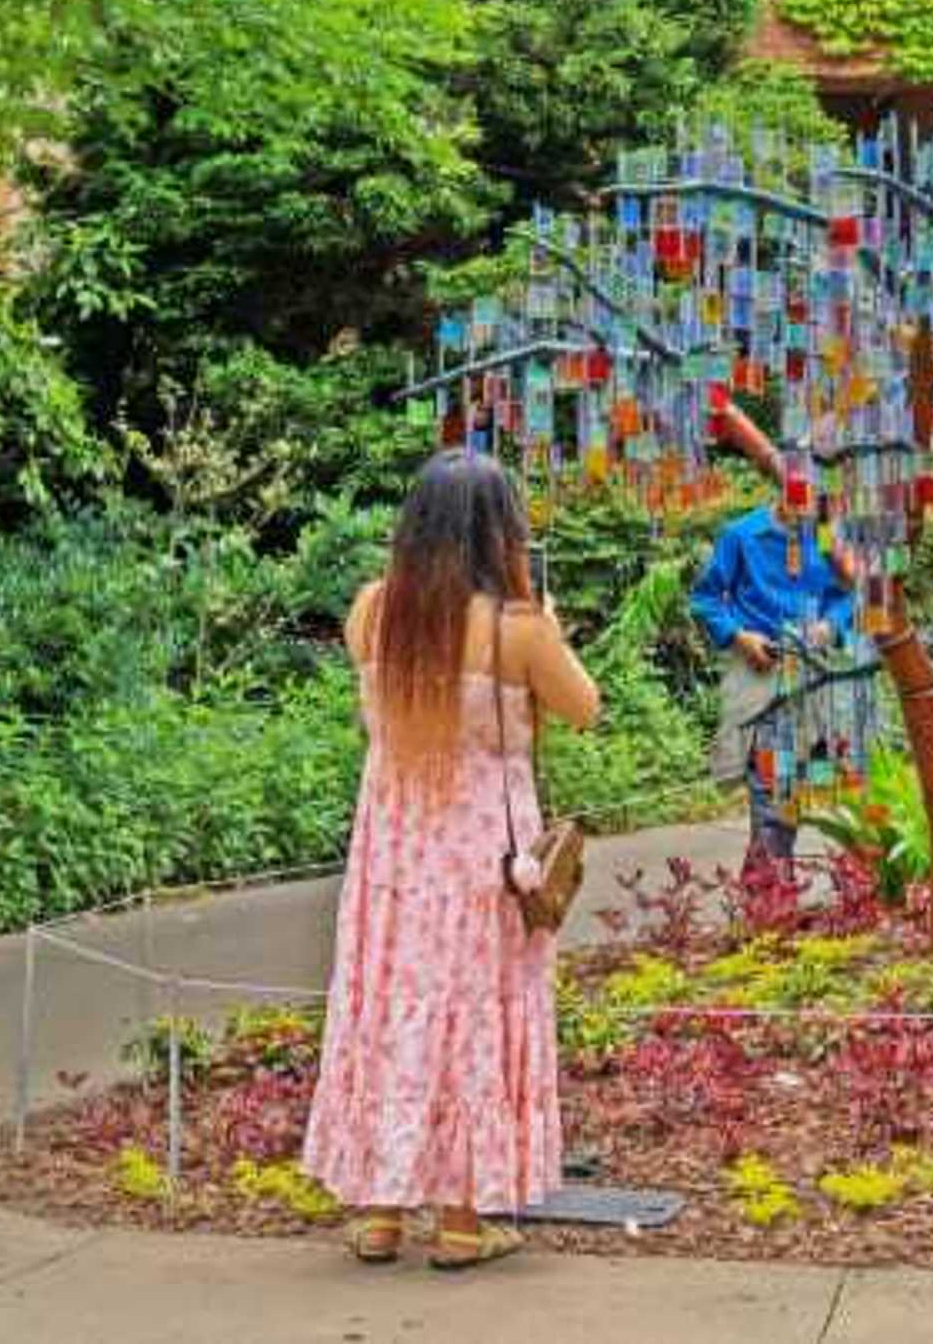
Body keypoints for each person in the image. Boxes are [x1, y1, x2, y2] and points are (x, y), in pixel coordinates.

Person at [303, 449, 601, 1270]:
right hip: (480, 857)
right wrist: (545, 616)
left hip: (392, 853)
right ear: (497, 530)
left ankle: (378, 1213)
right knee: (474, 1012)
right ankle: (465, 1221)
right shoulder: (518, 629)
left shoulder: (371, 611)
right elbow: (585, 707)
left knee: (391, 1007)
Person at [689, 492, 855, 874]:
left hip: (816, 680)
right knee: (773, 791)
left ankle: (768, 895)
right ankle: (770, 897)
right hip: (762, 680)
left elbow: (849, 595)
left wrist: (831, 625)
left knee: (806, 789)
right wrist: (739, 637)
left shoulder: (827, 538)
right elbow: (706, 598)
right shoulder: (742, 535)